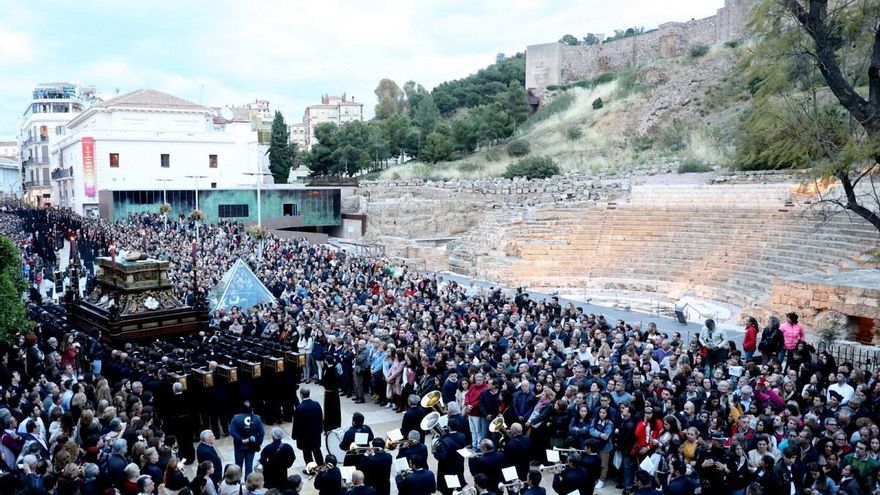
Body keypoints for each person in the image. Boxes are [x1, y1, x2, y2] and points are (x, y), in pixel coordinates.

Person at [229, 401, 265, 477]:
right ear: (252, 409)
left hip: (239, 446)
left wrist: (241, 440)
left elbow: (232, 432)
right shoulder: (257, 418)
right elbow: (262, 433)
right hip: (252, 445)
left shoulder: (236, 418)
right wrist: (259, 443)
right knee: (249, 465)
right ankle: (248, 483)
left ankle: (238, 482)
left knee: (238, 466)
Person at [435, 416, 469, 495]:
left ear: (449, 427)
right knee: (459, 477)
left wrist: (435, 453)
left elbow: (442, 456)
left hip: (448, 465)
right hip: (459, 462)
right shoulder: (462, 436)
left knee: (448, 484)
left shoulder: (444, 439)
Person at [293, 387, 324, 466]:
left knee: (307, 454)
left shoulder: (299, 408)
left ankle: (311, 469)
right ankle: (321, 466)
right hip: (315, 434)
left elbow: (296, 425)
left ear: (301, 395)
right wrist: (321, 429)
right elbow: (321, 418)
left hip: (304, 437)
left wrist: (294, 435)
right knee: (317, 451)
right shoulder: (316, 404)